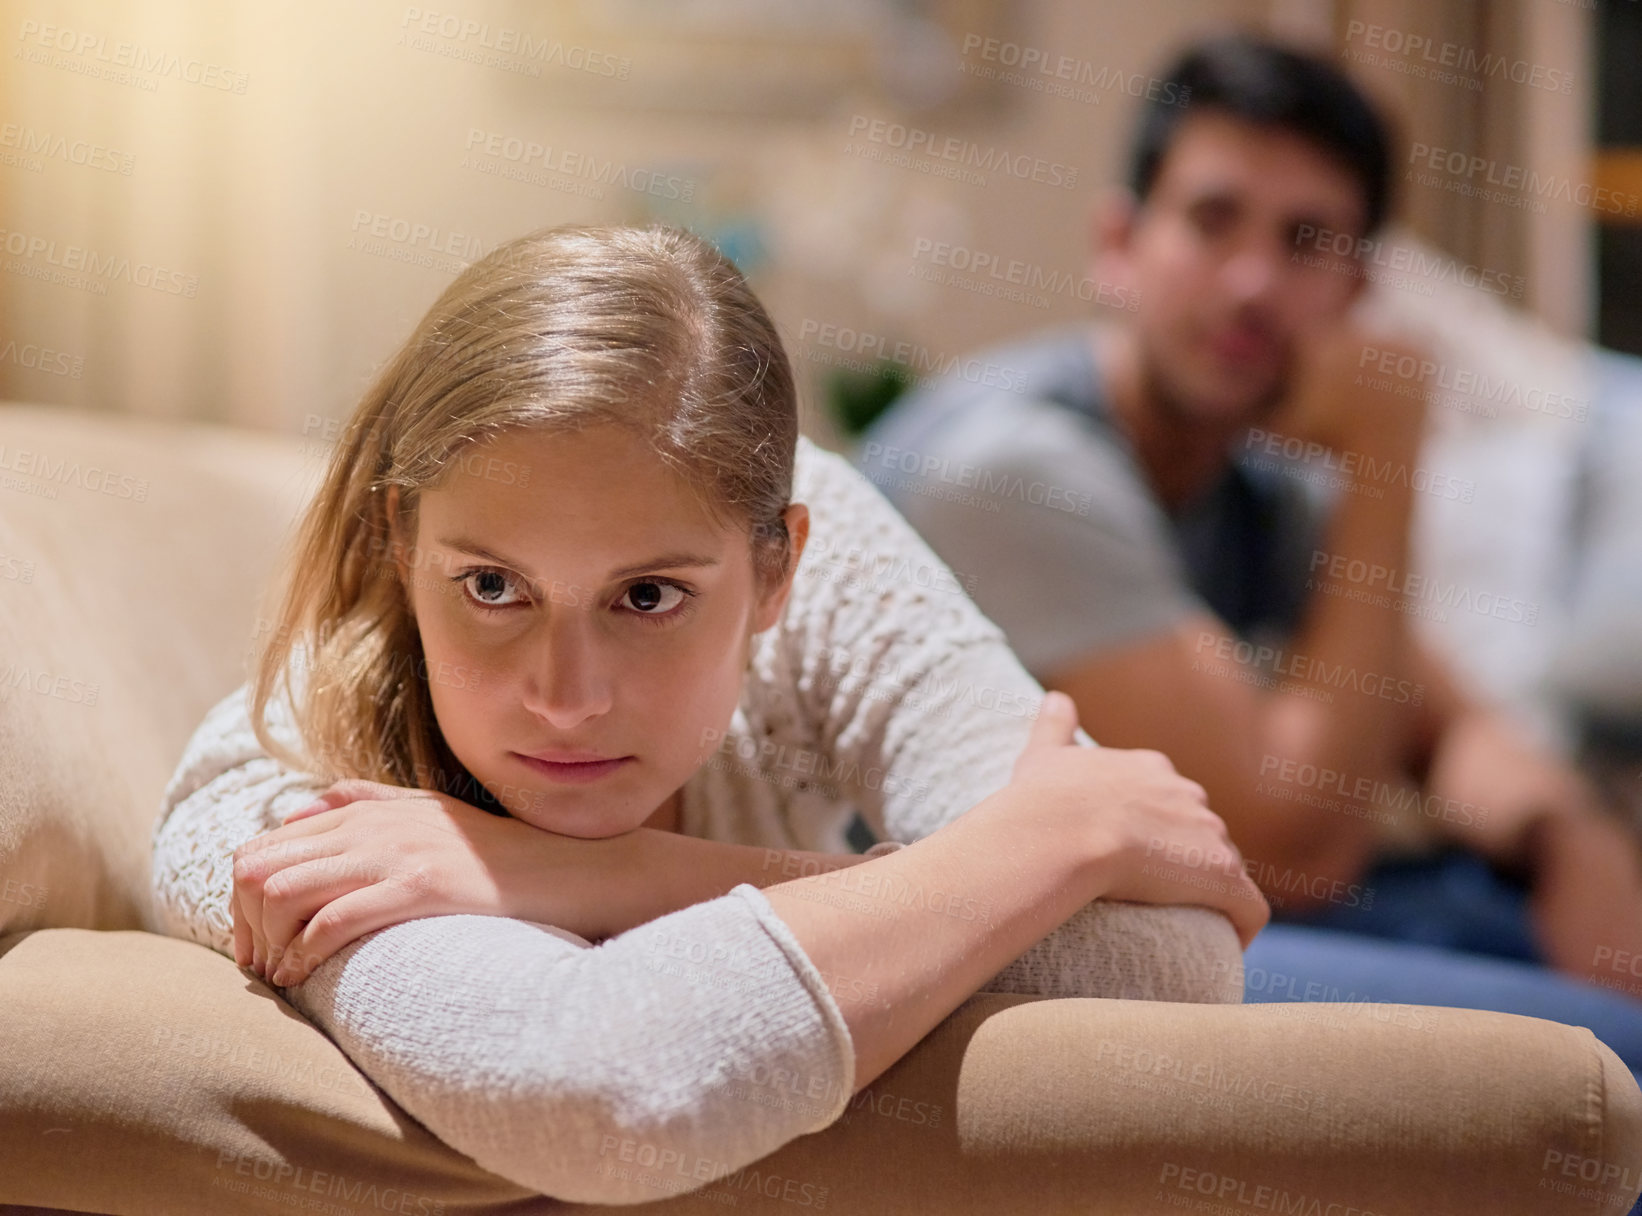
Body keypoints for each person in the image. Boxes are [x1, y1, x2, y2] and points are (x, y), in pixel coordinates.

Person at [150, 222, 1266, 1204]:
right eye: (492, 587)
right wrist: (1054, 838)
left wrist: (599, 873)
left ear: (777, 569)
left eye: (647, 597)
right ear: (402, 542)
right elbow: (597, 1105)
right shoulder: (288, 792)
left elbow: (1170, 963)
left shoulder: (832, 568)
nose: (566, 694)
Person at [856, 34, 1642, 1037]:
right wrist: (1383, 452)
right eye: (1211, 220)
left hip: (1185, 920)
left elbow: (1451, 729)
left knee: (1528, 949)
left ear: (1357, 293)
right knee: (1595, 1043)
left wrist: (1567, 832)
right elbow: (1289, 853)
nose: (1250, 284)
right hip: (977, 968)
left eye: (1307, 242)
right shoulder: (1016, 473)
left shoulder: (1265, 489)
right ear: (1117, 247)